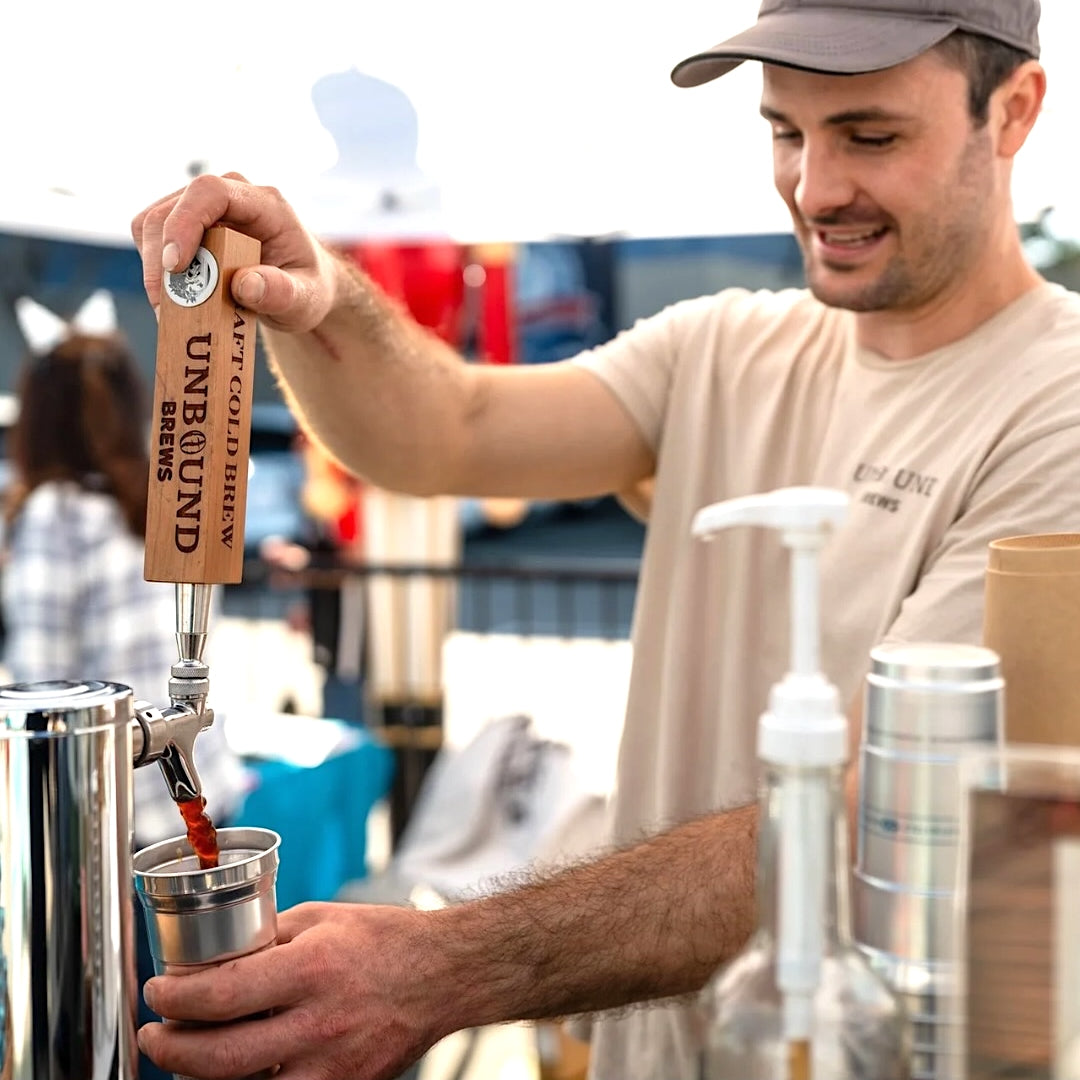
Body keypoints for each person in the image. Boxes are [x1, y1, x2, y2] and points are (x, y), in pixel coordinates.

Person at [130, 2, 1080, 1078]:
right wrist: (323, 297)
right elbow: (450, 431)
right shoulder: (727, 344)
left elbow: (873, 826)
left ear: (1013, 112)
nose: (815, 187)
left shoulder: (1059, 406)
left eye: (870, 135)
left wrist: (445, 966)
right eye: (785, 132)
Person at [0, 325, 251, 1079]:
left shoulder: (54, 517)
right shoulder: (151, 502)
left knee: (125, 1041)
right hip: (196, 794)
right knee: (212, 1037)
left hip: (114, 831)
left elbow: (36, 692)